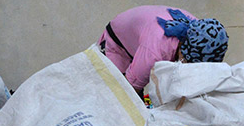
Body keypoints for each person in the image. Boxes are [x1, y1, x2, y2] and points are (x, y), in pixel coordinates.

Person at [98, 6, 229, 92]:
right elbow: (128, 90)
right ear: (183, 49)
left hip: (141, 36)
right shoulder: (155, 52)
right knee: (117, 96)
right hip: (117, 46)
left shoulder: (201, 31)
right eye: (188, 62)